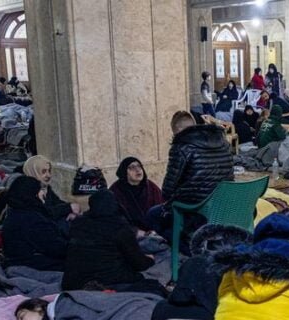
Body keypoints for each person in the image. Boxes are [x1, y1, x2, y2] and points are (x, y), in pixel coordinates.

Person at [61, 190, 164, 295]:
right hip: (107, 282)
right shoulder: (120, 228)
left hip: (73, 282)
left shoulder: (78, 224)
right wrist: (149, 259)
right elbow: (139, 263)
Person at [155, 111, 234, 242]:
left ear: (177, 131)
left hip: (197, 209)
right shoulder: (223, 142)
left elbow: (167, 190)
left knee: (152, 215)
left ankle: (190, 248)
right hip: (224, 206)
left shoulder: (181, 146)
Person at [1, 176, 68, 271]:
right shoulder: (31, 219)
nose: (43, 193)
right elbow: (56, 248)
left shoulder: (16, 210)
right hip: (30, 264)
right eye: (40, 190)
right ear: (33, 194)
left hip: (17, 260)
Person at [109, 156, 164, 231]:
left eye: (139, 166)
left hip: (154, 230)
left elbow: (162, 208)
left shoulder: (151, 187)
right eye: (132, 167)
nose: (137, 170)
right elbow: (115, 218)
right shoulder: (116, 190)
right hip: (128, 233)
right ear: (124, 172)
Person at [22, 155, 80, 223]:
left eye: (49, 171)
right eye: (43, 172)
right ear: (33, 173)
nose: (48, 175)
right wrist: (69, 208)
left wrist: (71, 211)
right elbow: (43, 213)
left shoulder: (45, 188)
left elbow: (57, 203)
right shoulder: (27, 192)